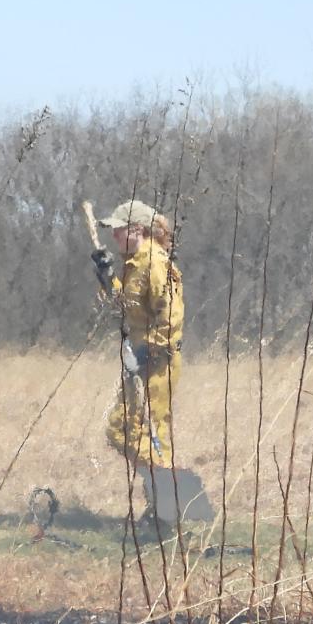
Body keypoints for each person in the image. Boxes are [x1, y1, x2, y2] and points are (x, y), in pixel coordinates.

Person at [92, 199, 184, 469]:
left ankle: (167, 489)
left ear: (137, 230)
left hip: (158, 362)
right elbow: (126, 305)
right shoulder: (134, 264)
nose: (113, 234)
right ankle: (164, 497)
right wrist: (107, 277)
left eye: (118, 228)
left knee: (143, 430)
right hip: (141, 360)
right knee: (125, 428)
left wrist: (147, 353)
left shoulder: (155, 263)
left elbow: (171, 316)